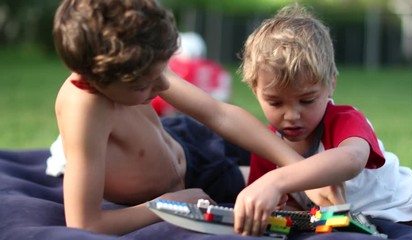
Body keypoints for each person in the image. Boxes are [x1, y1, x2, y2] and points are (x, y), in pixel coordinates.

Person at [51, 0, 309, 236]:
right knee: (287, 191)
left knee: (303, 156)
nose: (164, 84)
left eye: (163, 70)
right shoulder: (83, 109)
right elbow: (84, 224)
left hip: (188, 139)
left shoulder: (137, 56)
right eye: (146, 84)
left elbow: (218, 114)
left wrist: (298, 166)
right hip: (196, 180)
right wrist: (168, 205)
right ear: (98, 79)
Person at [233, 2, 412, 237]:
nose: (292, 115)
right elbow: (291, 212)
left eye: (307, 100)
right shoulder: (267, 147)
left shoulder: (343, 120)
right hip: (366, 228)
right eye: (276, 103)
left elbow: (351, 159)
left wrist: (276, 181)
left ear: (331, 85)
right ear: (255, 91)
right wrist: (277, 206)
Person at [151, 31, 232, 116]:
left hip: (179, 117)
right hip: (212, 118)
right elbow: (226, 99)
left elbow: (164, 106)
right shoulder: (218, 69)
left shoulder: (178, 67)